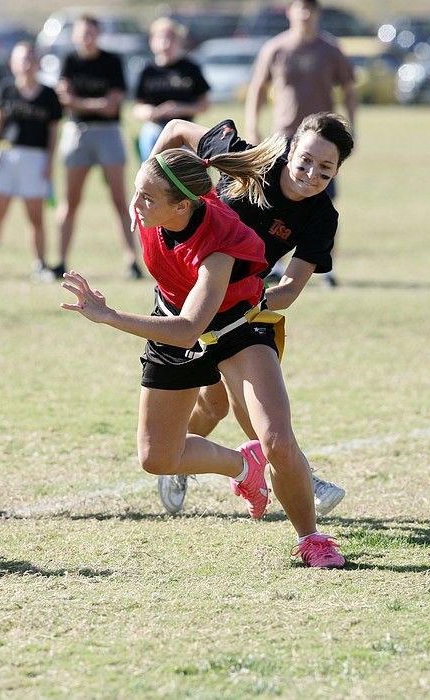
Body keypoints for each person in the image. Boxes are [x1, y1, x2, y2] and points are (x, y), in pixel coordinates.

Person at [60, 141, 346, 569]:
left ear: (182, 207)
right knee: (157, 458)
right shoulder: (164, 207)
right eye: (138, 190)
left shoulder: (219, 245)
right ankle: (243, 467)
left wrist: (108, 315)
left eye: (147, 196)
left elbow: (190, 329)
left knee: (278, 441)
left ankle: (311, 539)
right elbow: (177, 128)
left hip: (237, 329)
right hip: (172, 317)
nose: (135, 203)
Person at [151, 112, 353, 515]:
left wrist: (250, 302)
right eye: (305, 160)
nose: (311, 175)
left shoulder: (321, 216)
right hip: (185, 299)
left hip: (240, 312)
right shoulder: (251, 160)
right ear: (291, 150)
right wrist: (145, 191)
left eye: (325, 170)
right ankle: (179, 461)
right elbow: (175, 129)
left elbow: (291, 288)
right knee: (219, 405)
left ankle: (290, 472)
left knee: (232, 400)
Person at [244, 0, 358, 286]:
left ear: (318, 13)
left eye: (311, 8)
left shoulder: (330, 49)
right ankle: (275, 265)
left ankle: (326, 268)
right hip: (283, 138)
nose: (305, 13)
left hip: (323, 141)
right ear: (290, 11)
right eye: (300, 7)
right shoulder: (276, 48)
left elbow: (349, 88)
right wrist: (251, 127)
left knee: (325, 200)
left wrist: (352, 128)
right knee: (273, 201)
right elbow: (258, 87)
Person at [53, 14, 142, 280]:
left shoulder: (112, 61)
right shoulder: (69, 61)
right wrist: (95, 104)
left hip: (108, 134)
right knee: (70, 201)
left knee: (119, 199)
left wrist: (80, 102)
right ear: (76, 36)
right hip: (77, 133)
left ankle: (131, 260)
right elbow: (64, 99)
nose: (87, 38)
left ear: (98, 34)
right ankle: (60, 260)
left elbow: (112, 105)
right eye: (82, 33)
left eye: (91, 33)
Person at [0, 42, 62, 279]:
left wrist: (50, 164)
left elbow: (53, 133)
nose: (26, 64)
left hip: (36, 158)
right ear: (13, 63)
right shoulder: (6, 90)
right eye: (22, 59)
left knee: (35, 217)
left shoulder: (48, 94)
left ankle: (40, 264)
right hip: (7, 157)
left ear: (38, 63)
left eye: (31, 59)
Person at [133, 17, 210, 162]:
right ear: (152, 41)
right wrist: (149, 112)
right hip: (154, 130)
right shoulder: (147, 71)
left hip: (184, 131)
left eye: (171, 38)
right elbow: (137, 107)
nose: (166, 43)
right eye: (161, 37)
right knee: (153, 173)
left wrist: (180, 108)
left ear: (180, 42)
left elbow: (204, 104)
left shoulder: (190, 69)